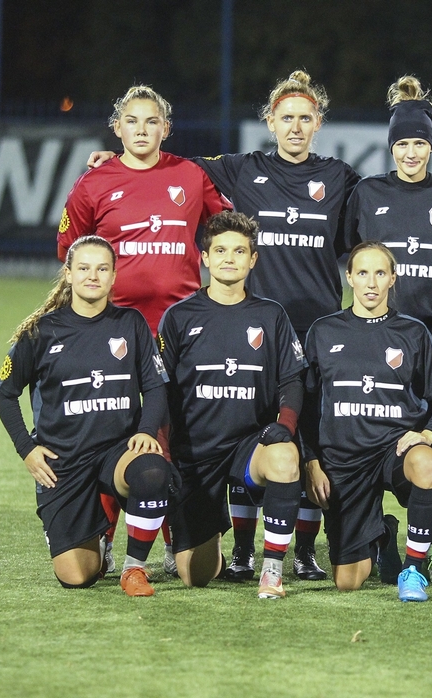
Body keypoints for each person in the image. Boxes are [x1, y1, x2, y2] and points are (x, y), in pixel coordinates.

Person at [90, 70, 360, 581]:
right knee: (242, 427)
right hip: (244, 324)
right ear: (270, 122)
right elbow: (172, 166)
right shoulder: (240, 169)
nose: (296, 127)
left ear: (318, 123)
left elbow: (377, 216)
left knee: (307, 443)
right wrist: (119, 163)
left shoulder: (341, 176)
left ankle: (300, 551)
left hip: (318, 331)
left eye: (305, 119)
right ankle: (238, 550)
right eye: (286, 118)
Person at [60, 85, 231, 574]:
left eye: (151, 121)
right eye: (132, 121)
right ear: (117, 129)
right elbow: (70, 251)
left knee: (180, 430)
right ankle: (103, 536)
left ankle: (180, 529)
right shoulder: (93, 183)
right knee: (111, 431)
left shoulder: (190, 174)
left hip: (183, 332)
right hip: (113, 332)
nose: (141, 129)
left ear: (166, 128)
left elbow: (229, 230)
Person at [342, 75, 432, 585]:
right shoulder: (367, 193)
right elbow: (348, 253)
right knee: (370, 429)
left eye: (420, 143)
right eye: (403, 143)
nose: (412, 152)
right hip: (376, 337)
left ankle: (430, 549)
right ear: (391, 145)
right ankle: (371, 529)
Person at [0, 235, 172, 596]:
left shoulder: (131, 323)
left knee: (152, 469)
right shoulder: (41, 332)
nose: (93, 276)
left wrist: (147, 429)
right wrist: (27, 449)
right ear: (69, 274)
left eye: (102, 268)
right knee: (77, 576)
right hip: (64, 461)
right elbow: (4, 392)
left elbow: (156, 386)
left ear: (114, 276)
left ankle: (134, 568)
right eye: (85, 268)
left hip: (116, 451)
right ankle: (97, 545)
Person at [157, 211, 306, 598]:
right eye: (219, 250)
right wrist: (164, 447)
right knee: (196, 575)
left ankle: (272, 570)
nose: (228, 258)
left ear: (253, 259)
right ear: (204, 258)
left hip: (246, 447)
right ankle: (213, 531)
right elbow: (161, 389)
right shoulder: (178, 317)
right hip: (195, 455)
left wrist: (285, 426)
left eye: (239, 251)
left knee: (285, 458)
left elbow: (291, 378)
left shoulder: (270, 315)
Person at [300, 242, 432, 602]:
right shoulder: (323, 331)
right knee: (348, 581)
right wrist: (312, 462)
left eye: (381, 273)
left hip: (394, 450)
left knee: (425, 463)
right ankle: (382, 536)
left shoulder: (413, 332)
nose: (372, 282)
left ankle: (413, 570)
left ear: (393, 279)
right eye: (364, 273)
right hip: (344, 459)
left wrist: (427, 433)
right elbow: (306, 407)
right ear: (350, 277)